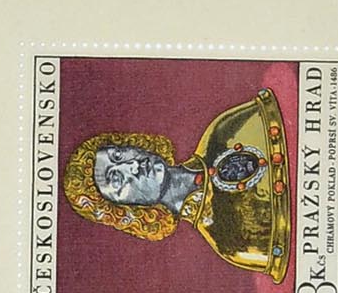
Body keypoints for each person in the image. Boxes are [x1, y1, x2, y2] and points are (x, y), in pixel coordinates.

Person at [63, 90, 291, 280]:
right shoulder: (232, 243)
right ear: (127, 209)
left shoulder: (223, 131)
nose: (133, 165)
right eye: (117, 179)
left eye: (118, 155)